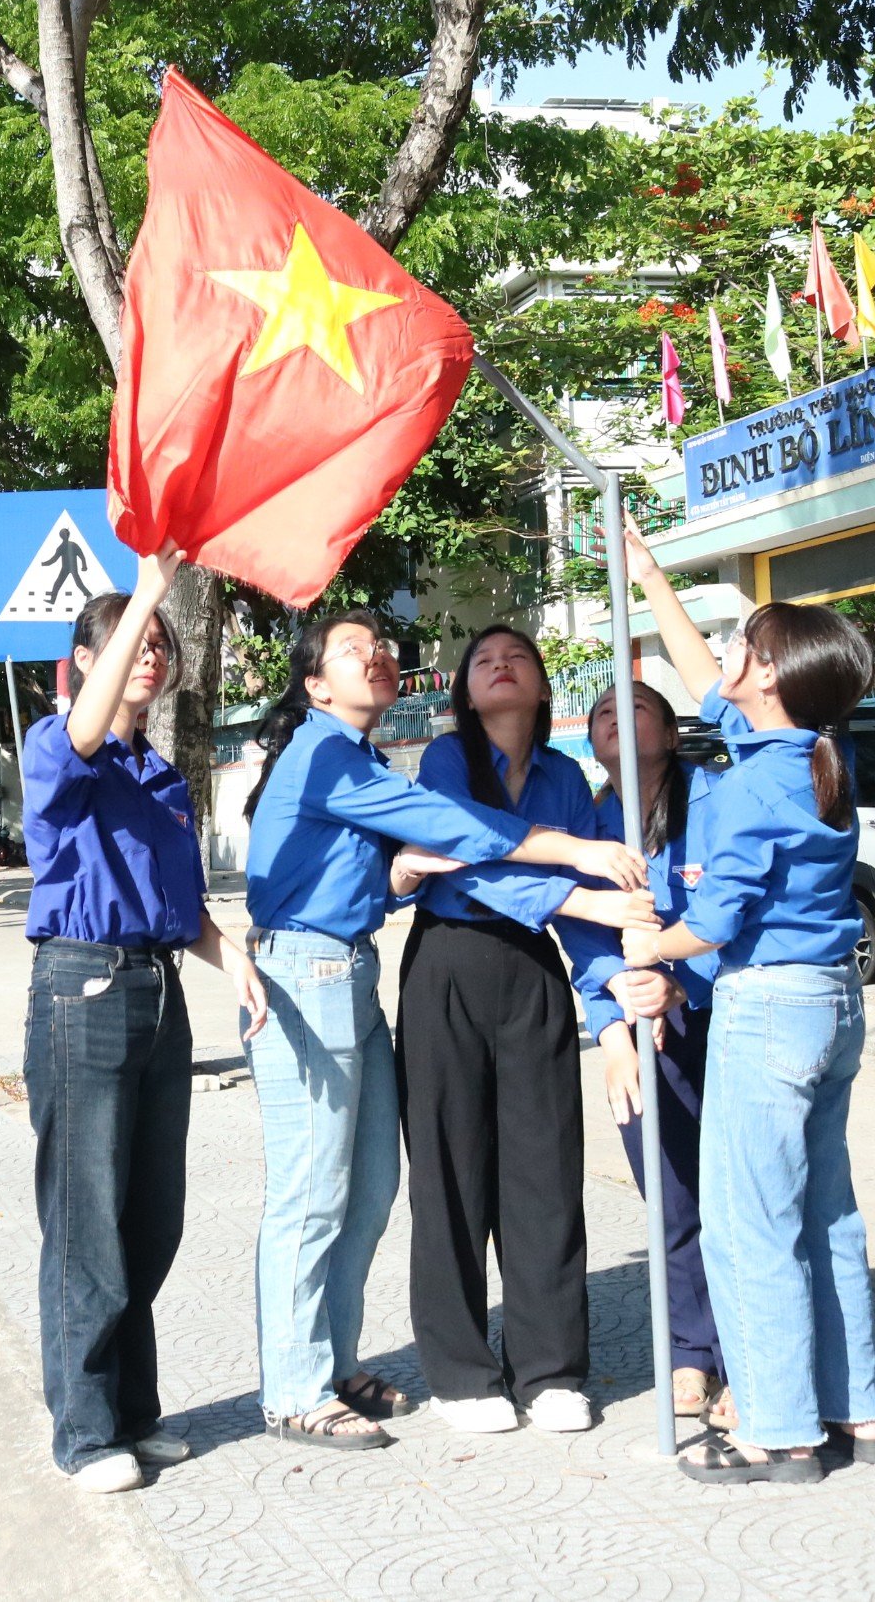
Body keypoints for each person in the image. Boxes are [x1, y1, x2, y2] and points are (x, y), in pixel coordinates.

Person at [242, 611, 645, 1451]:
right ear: (315, 684)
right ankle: (300, 1387)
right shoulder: (377, 756)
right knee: (332, 1189)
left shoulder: (371, 760)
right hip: (345, 973)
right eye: (355, 651)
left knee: (380, 1183)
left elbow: (389, 873)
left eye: (383, 646)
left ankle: (369, 1363)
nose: (378, 656)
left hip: (362, 970)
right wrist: (572, 861)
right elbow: (461, 835)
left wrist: (606, 1012)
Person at [619, 527, 875, 1485]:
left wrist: (650, 942)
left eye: (745, 642)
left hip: (769, 1008)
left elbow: (717, 919)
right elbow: (710, 675)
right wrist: (652, 580)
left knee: (751, 1222)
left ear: (768, 674)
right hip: (830, 1004)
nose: (728, 651)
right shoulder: (810, 754)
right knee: (827, 1216)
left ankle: (777, 1432)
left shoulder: (747, 790)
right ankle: (858, 1414)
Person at [21, 544, 271, 1496]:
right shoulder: (60, 746)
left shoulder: (159, 774)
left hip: (158, 991)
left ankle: (134, 1412)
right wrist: (150, 587)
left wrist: (232, 958)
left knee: (148, 1217)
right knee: (87, 1221)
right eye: (133, 642)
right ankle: (84, 1431)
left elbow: (184, 909)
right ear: (85, 660)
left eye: (162, 641)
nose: (153, 653)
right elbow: (88, 729)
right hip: (81, 988)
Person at [395, 626, 658, 1436]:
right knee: (451, 1173)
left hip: (532, 976)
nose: (500, 664)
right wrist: (580, 895)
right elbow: (468, 857)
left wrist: (609, 1013)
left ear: (544, 688)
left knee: (544, 1172)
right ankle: (463, 1370)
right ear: (466, 694)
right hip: (447, 966)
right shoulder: (444, 763)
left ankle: (549, 1367)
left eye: (517, 657)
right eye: (481, 660)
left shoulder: (568, 780)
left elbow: (591, 913)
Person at [568, 678, 726, 1423]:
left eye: (633, 707)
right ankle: (692, 1352)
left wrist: (680, 984)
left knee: (736, 1190)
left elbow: (738, 912)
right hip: (636, 1031)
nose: (613, 718)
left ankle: (753, 1350)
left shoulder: (715, 799)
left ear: (668, 729)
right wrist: (616, 1020)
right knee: (669, 1195)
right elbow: (584, 939)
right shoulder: (588, 826)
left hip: (720, 1020)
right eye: (600, 712)